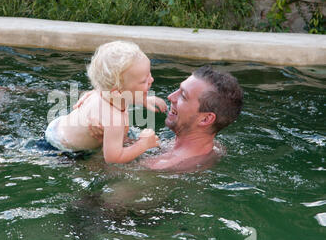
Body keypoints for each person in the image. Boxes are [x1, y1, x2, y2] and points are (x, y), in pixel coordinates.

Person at [84, 65, 244, 171]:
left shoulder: (160, 166)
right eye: (178, 90)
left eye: (183, 96)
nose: (170, 96)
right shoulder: (215, 148)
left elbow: (96, 171)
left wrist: (99, 145)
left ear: (205, 119)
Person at [45, 40, 167, 163]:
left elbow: (120, 91)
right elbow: (113, 158)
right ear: (118, 91)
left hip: (58, 127)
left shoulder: (104, 91)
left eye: (149, 74)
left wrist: (144, 99)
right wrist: (143, 144)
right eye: (143, 81)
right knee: (98, 165)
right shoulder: (114, 119)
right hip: (63, 149)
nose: (151, 79)